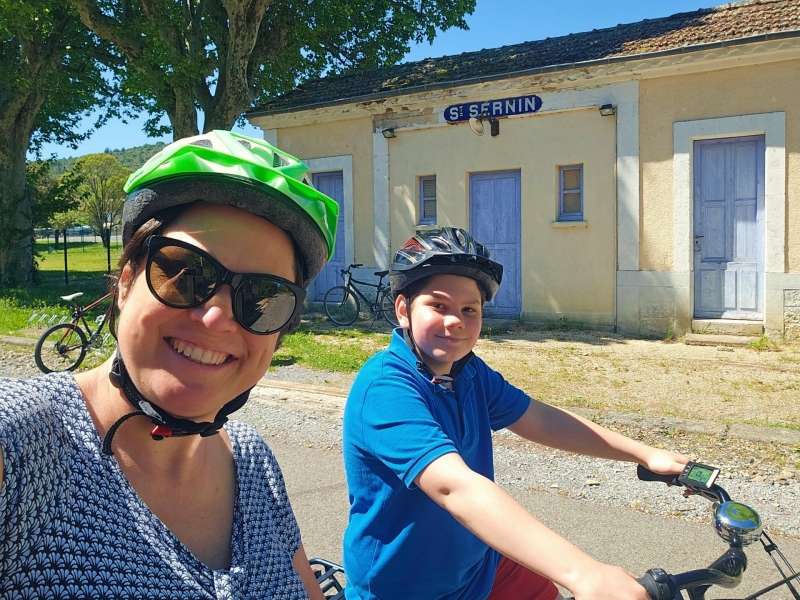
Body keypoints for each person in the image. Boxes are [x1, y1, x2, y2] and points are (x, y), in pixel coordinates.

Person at [0, 131, 339, 599]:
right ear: (124, 283)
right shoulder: (22, 444)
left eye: (263, 298)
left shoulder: (252, 461)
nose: (217, 317)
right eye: (184, 273)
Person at [342, 227, 690, 600]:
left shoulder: (469, 372)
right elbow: (454, 486)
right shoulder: (386, 387)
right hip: (407, 587)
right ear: (403, 310)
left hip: (481, 566)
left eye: (469, 309)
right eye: (438, 306)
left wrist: (644, 454)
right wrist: (583, 573)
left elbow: (540, 419)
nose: (455, 320)